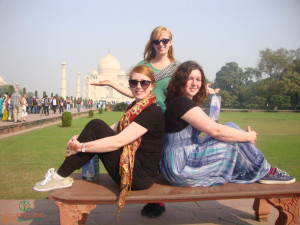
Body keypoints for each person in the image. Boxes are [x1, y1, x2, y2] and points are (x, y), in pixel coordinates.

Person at [94, 26, 219, 217]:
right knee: (146, 156)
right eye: (157, 41)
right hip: (148, 115)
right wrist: (113, 85)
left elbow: (187, 88)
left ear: (171, 42)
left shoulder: (178, 67)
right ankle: (151, 197)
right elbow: (137, 91)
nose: (161, 45)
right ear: (152, 43)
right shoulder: (144, 65)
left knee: (162, 157)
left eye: (165, 41)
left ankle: (158, 201)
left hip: (171, 117)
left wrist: (204, 91)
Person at [33, 65, 165, 218]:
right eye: (134, 83)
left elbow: (118, 141)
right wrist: (80, 138)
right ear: (129, 84)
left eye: (144, 83)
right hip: (133, 169)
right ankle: (60, 176)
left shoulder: (152, 111)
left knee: (95, 125)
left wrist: (82, 147)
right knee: (95, 126)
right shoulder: (136, 108)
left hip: (139, 177)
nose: (138, 86)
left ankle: (59, 176)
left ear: (152, 85)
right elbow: (112, 128)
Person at [159, 61, 295, 188]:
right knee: (232, 133)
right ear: (180, 80)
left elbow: (211, 126)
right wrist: (247, 136)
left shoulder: (181, 102)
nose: (195, 83)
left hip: (178, 161)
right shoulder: (182, 103)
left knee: (231, 129)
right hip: (181, 166)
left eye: (198, 79)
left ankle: (262, 170)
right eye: (190, 78)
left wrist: (240, 135)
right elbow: (215, 130)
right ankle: (266, 171)